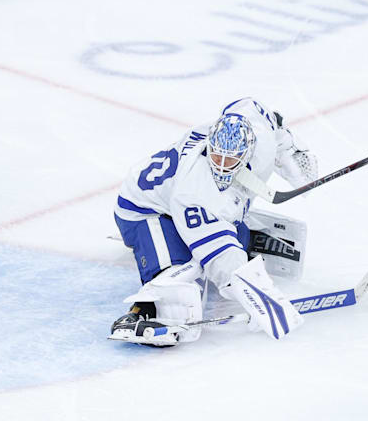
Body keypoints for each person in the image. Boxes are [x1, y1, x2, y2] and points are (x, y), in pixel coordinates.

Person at [109, 97, 318, 346]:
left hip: (184, 201)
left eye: (229, 160)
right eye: (216, 156)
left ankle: (232, 239)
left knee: (222, 232)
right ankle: (140, 313)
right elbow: (220, 254)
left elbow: (254, 109)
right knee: (180, 278)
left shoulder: (259, 134)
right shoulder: (194, 190)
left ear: (248, 151)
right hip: (144, 211)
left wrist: (291, 149)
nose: (220, 166)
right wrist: (261, 297)